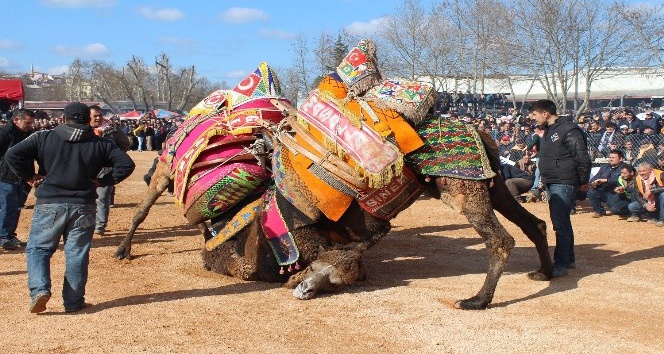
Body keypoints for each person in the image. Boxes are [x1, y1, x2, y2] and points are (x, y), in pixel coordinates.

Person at [5, 102, 135, 313]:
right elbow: (126, 164)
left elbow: (13, 155)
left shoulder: (43, 137)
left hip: (50, 202)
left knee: (39, 249)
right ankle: (73, 302)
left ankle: (39, 290)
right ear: (87, 120)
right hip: (84, 204)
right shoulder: (101, 143)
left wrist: (29, 176)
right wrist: (103, 181)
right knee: (77, 253)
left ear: (63, 119)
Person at [529, 100, 591, 278]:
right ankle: (568, 259)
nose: (533, 118)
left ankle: (561, 264)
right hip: (554, 180)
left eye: (534, 115)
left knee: (560, 224)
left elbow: (582, 157)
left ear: (546, 113)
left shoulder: (569, 130)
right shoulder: (550, 130)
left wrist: (583, 181)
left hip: (564, 181)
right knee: (562, 221)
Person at [89, 105, 131, 235]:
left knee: (102, 197)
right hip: (87, 168)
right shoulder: (83, 130)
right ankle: (86, 223)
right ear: (88, 117)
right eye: (95, 115)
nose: (98, 118)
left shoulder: (112, 128)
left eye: (100, 115)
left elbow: (125, 144)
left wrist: (115, 157)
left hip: (106, 168)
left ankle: (100, 225)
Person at [0, 109, 35, 250]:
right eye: (27, 123)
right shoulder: (5, 133)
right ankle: (3, 237)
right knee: (8, 207)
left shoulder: (28, 133)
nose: (30, 126)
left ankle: (9, 235)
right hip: (6, 176)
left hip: (22, 177)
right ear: (16, 120)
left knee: (17, 207)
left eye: (32, 123)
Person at [587, 150, 627, 218]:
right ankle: (599, 211)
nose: (611, 159)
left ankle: (626, 211)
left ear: (621, 159)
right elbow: (596, 176)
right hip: (604, 190)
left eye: (613, 157)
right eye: (610, 157)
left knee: (614, 209)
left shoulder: (625, 168)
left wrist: (606, 180)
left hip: (617, 192)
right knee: (591, 191)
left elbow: (621, 180)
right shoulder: (605, 166)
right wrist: (593, 182)